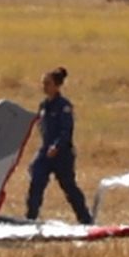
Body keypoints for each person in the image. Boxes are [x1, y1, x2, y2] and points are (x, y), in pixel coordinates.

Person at [26, 66, 93, 224]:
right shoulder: (43, 106)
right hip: (45, 152)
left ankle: (85, 220)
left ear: (56, 86)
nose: (44, 87)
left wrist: (56, 146)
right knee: (36, 183)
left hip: (62, 154)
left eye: (47, 83)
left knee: (69, 187)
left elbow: (66, 130)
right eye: (43, 83)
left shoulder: (64, 107)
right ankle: (30, 219)